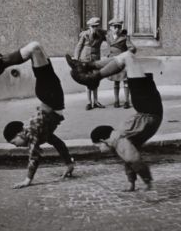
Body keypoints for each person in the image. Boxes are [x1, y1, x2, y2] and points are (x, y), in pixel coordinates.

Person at [0, 42, 75, 189]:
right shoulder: (42, 134)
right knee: (36, 48)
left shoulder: (32, 132)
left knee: (34, 48)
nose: (17, 146)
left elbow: (34, 157)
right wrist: (69, 164)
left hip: (50, 95)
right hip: (51, 95)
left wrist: (28, 180)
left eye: (14, 143)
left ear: (20, 133)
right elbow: (59, 144)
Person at [66, 51, 163, 191]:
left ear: (103, 140)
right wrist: (141, 181)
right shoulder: (119, 139)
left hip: (149, 107)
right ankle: (89, 69)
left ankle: (91, 73)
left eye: (98, 146)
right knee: (128, 57)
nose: (99, 150)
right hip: (147, 106)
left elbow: (131, 159)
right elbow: (131, 158)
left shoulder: (118, 139)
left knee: (128, 58)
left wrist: (138, 183)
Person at [73, 17, 107, 110]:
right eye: (92, 26)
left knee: (95, 80)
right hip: (85, 60)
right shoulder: (85, 35)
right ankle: (89, 102)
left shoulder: (101, 34)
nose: (94, 28)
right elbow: (78, 47)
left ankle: (96, 101)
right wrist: (76, 58)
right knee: (87, 81)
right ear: (89, 27)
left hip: (95, 60)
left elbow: (111, 40)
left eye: (96, 26)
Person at [106, 18, 137, 108]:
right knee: (116, 81)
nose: (117, 29)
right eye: (115, 27)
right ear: (111, 28)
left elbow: (133, 48)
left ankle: (127, 101)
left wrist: (125, 54)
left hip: (123, 61)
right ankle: (116, 101)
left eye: (119, 27)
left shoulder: (124, 38)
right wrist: (108, 54)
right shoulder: (108, 36)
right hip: (113, 60)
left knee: (125, 81)